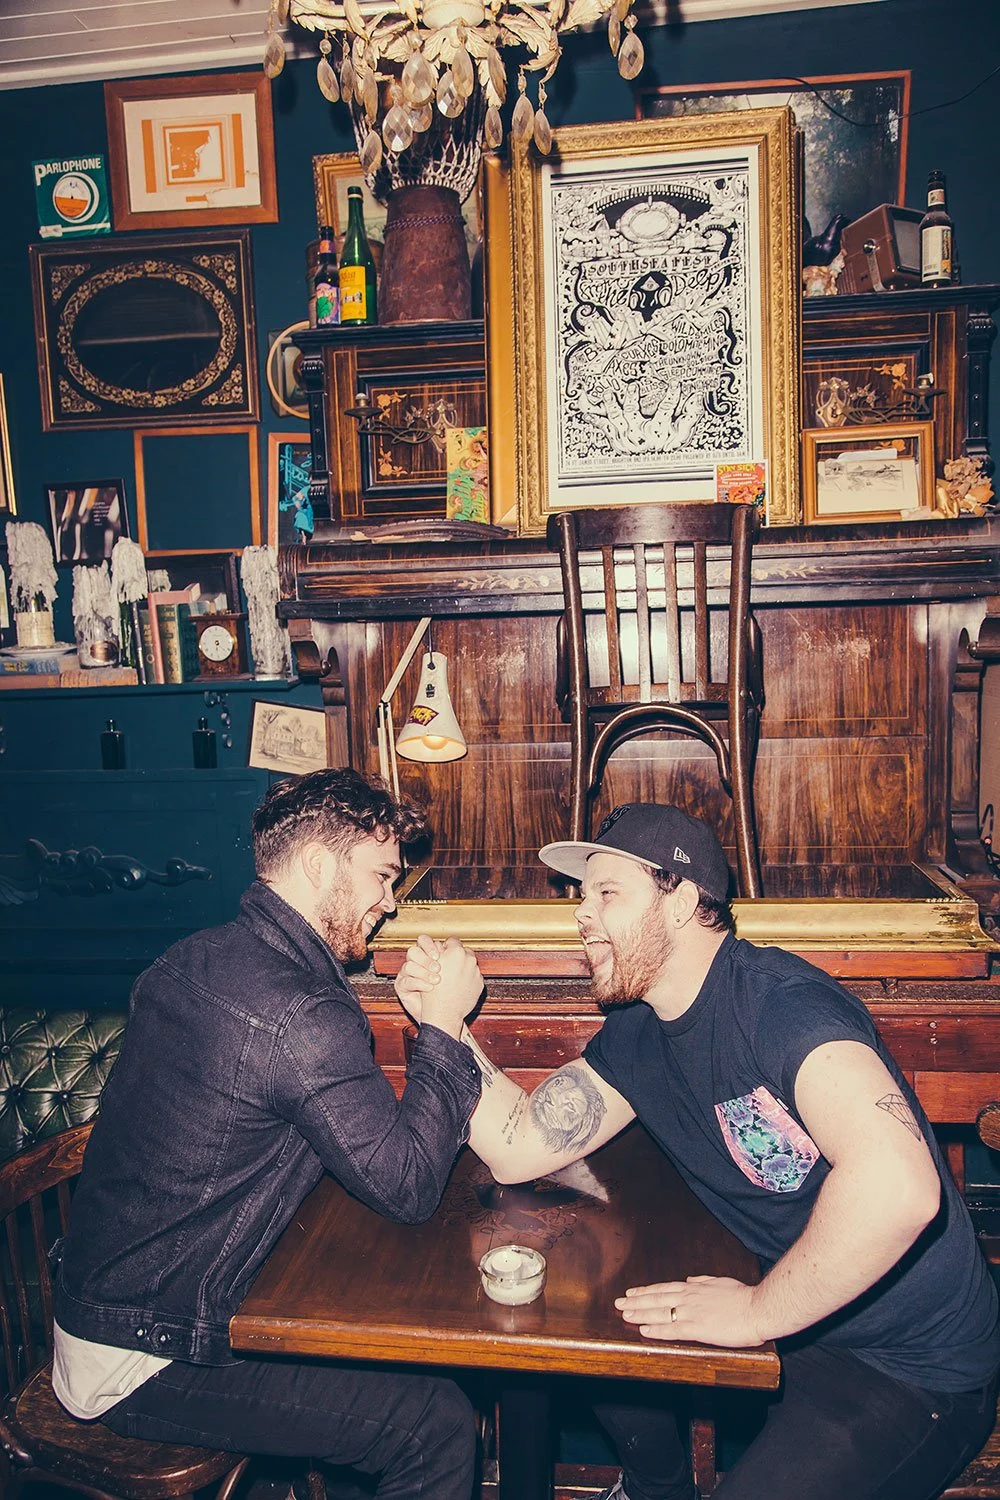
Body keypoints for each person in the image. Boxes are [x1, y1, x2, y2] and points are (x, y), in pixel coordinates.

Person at [396, 803, 1000, 1500]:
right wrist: (445, 1025)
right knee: (590, 1328)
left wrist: (757, 1312)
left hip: (912, 1366)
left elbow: (900, 1189)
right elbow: (517, 1145)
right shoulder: (639, 1031)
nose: (581, 914)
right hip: (798, 1322)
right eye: (582, 896)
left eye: (607, 892)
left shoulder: (782, 1006)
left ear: (682, 902)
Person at [53, 768, 484, 1500]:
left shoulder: (193, 956)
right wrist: (444, 1024)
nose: (390, 904)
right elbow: (409, 1188)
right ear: (318, 865)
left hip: (102, 1302)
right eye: (382, 877)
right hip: (142, 1354)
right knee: (433, 1424)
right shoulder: (299, 1012)